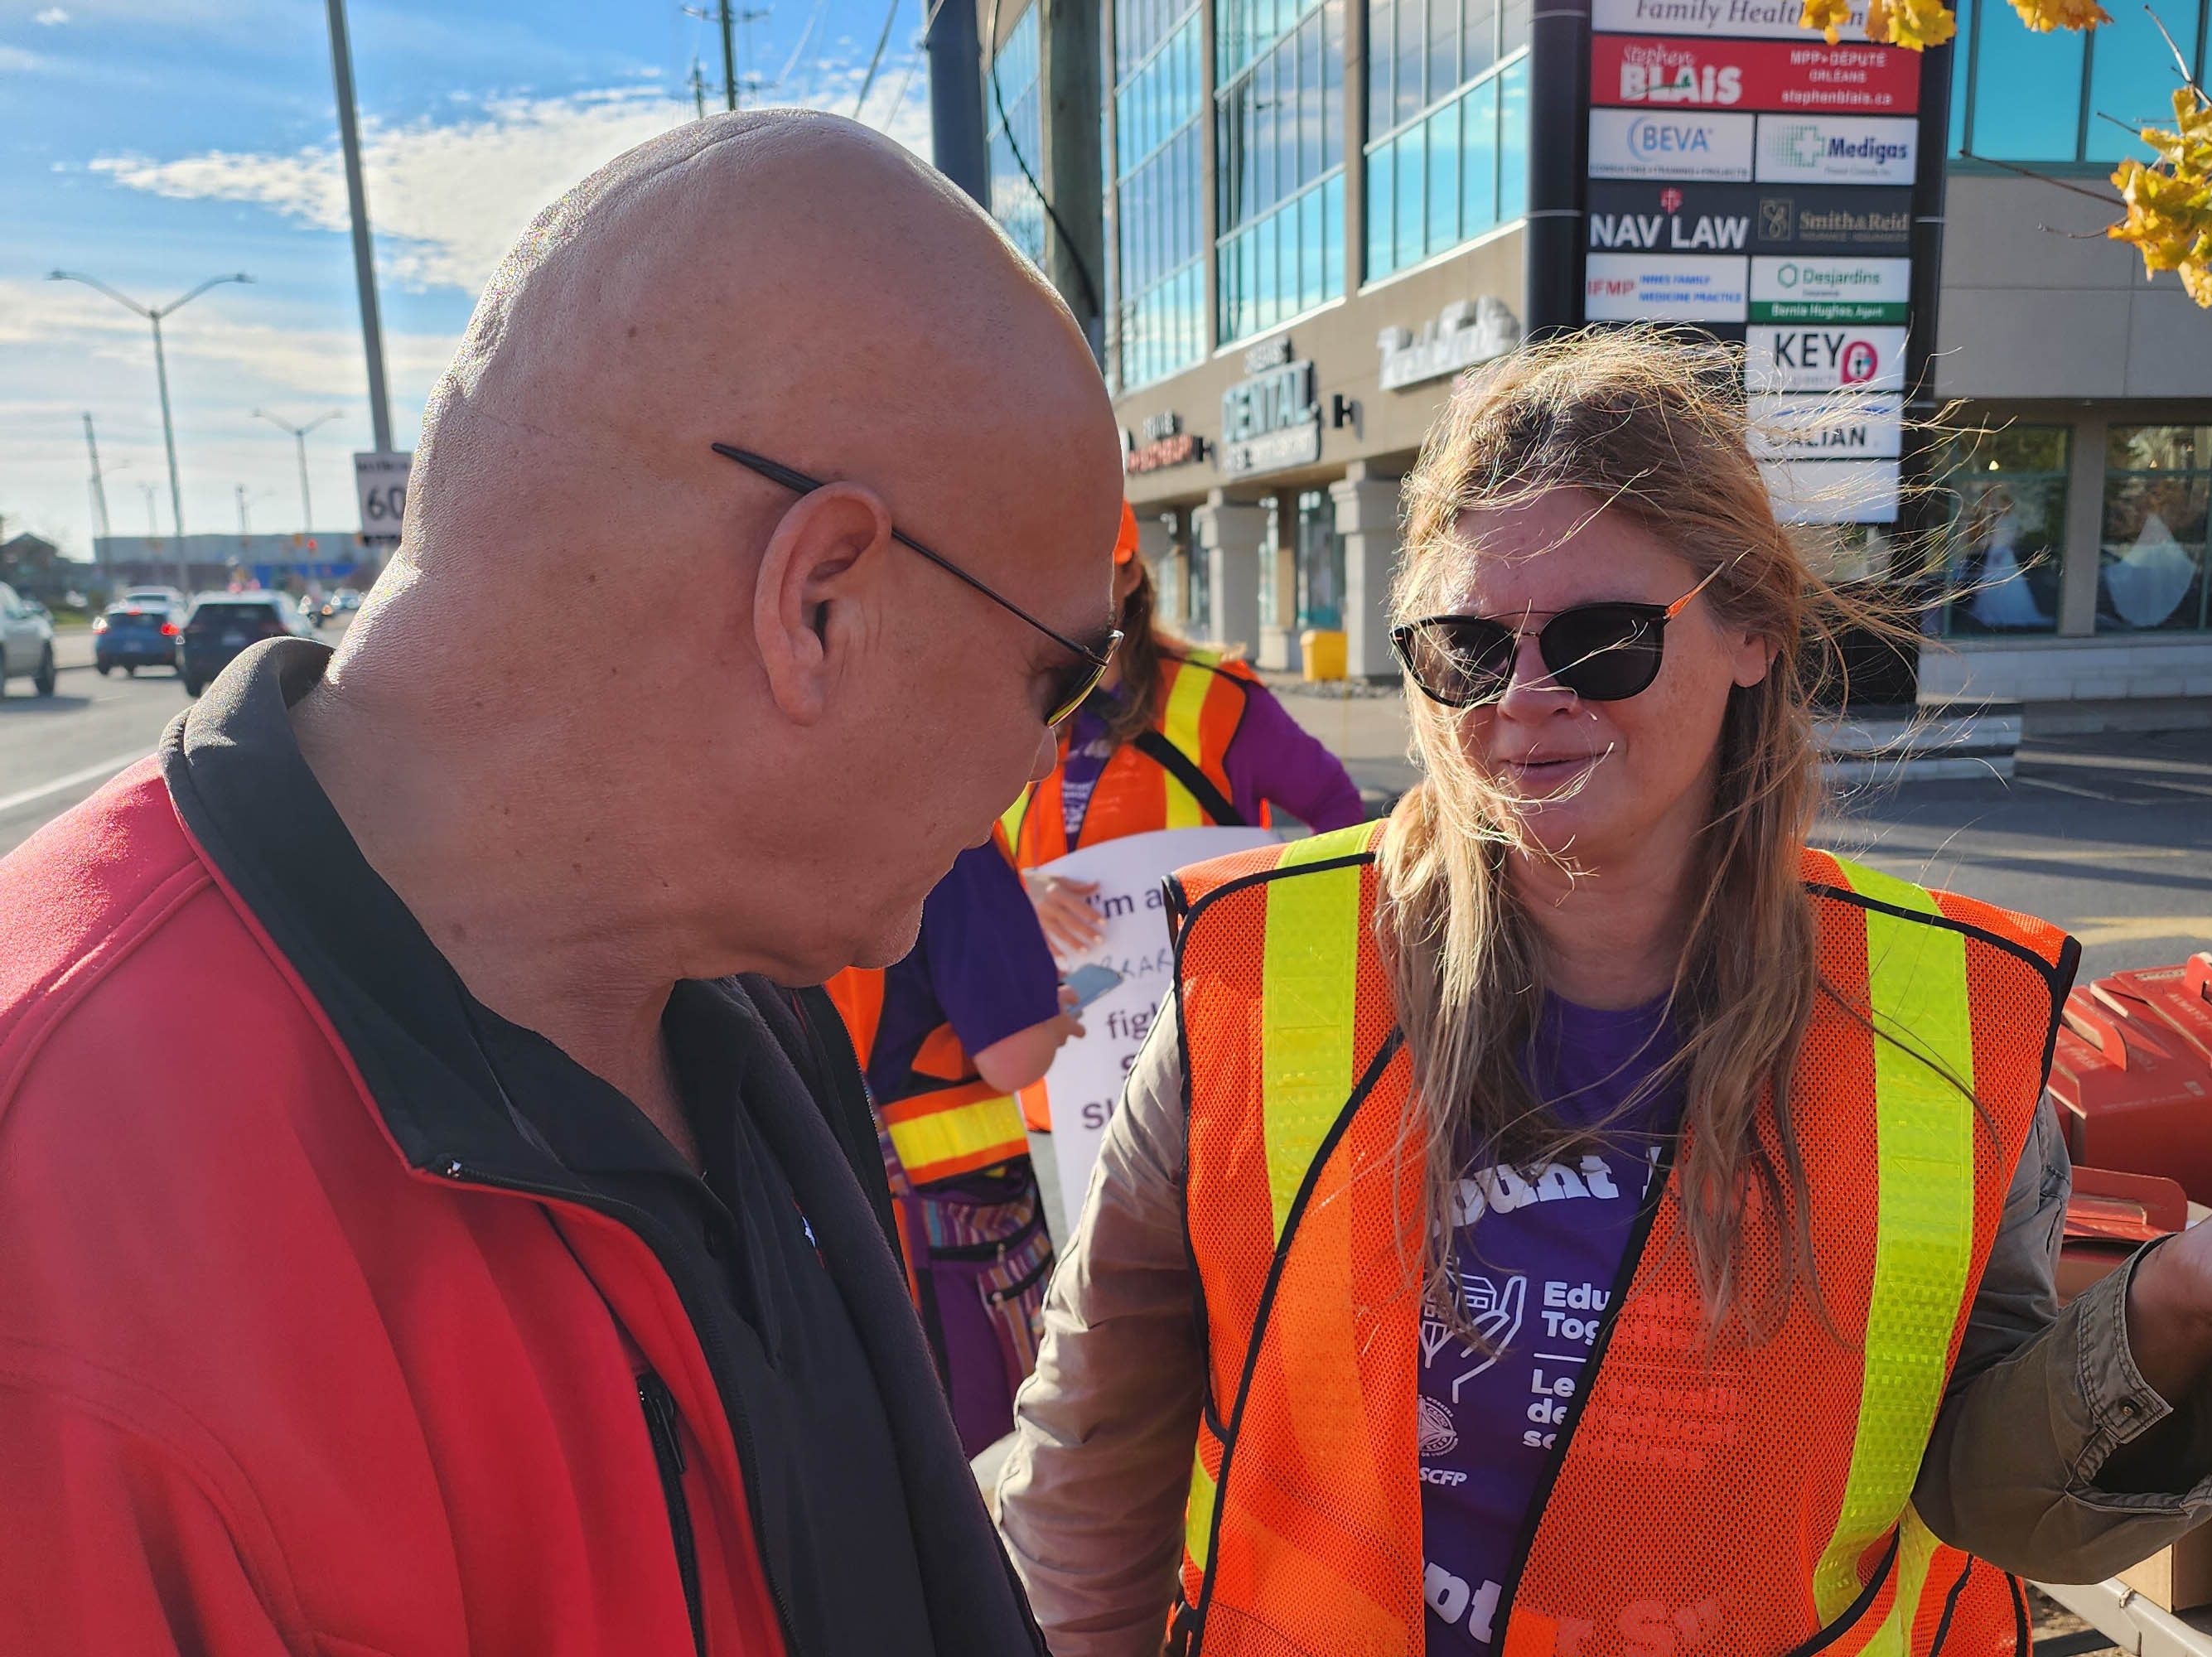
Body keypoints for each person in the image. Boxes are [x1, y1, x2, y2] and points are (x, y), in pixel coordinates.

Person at [993, 330, 2212, 1657]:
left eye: (1602, 640)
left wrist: (2179, 1298)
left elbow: (1988, 1486)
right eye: (1467, 647)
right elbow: (1095, 1444)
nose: (1525, 697)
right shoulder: (1262, 978)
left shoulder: (1930, 1026)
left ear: (1754, 632)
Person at [0, 111, 1123, 1655]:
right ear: (818, 601)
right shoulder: (56, 1230)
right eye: (1060, 678)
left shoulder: (739, 984)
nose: (1042, 761)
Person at [1005, 501, 1366, 956]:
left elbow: (1334, 804)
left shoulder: (1219, 698)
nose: (1064, 594)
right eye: (1047, 574)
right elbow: (960, 860)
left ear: (1131, 576)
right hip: (1059, 993)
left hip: (1214, 984)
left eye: (1087, 571)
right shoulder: (1003, 703)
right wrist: (1017, 893)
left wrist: (1298, 915)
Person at [827, 838, 1079, 1453]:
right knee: (992, 1439)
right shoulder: (960, 845)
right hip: (957, 1217)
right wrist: (1051, 1020)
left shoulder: (818, 826)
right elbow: (1014, 1057)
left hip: (847, 1179)